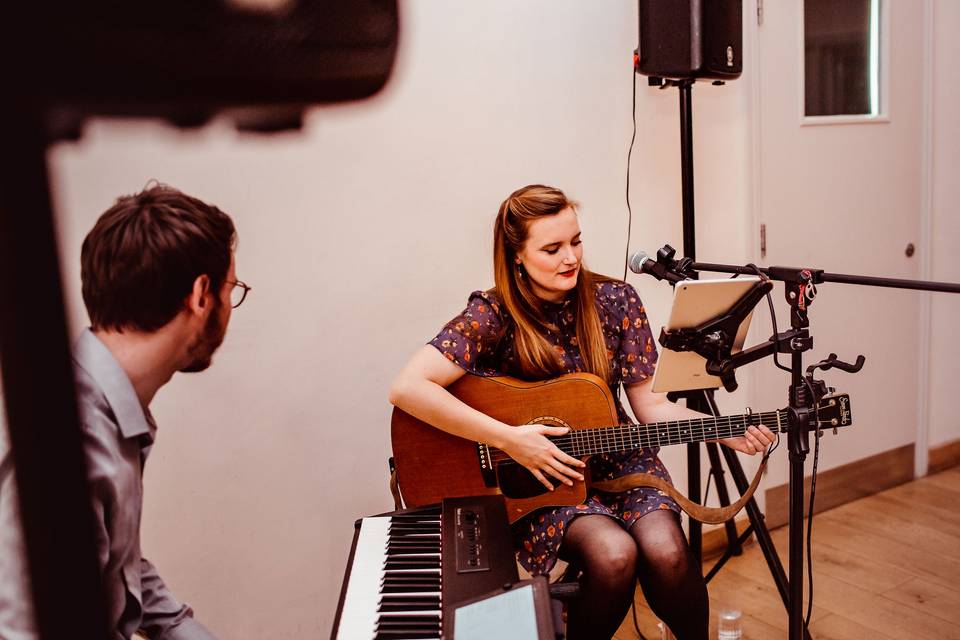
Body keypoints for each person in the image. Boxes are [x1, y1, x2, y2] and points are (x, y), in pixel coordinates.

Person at [389, 184, 775, 640]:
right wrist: (510, 439)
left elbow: (649, 405)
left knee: (668, 551)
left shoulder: (616, 300)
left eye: (575, 241)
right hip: (538, 482)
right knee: (614, 555)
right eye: (551, 248)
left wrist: (720, 430)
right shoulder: (492, 314)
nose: (570, 258)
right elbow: (408, 387)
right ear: (517, 255)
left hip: (620, 463)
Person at [0, 184, 250, 639]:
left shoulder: (110, 411)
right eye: (232, 289)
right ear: (200, 295)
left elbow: (120, 568)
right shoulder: (69, 439)